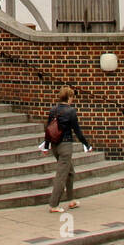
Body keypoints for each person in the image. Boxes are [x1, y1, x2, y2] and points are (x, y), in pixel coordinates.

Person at [43, 86, 92, 214]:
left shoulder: (53, 110)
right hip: (65, 145)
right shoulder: (71, 111)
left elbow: (48, 128)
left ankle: (71, 200)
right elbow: (77, 131)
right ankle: (54, 204)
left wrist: (47, 145)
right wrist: (87, 144)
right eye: (72, 97)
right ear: (69, 97)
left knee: (70, 173)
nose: (72, 100)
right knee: (61, 175)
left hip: (55, 145)